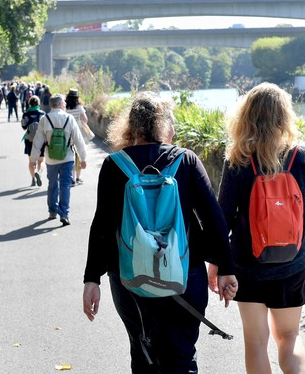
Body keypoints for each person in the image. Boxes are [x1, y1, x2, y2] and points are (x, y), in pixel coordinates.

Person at [82, 92, 238, 373]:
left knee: (142, 354)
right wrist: (226, 268)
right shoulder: (187, 161)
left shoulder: (114, 165)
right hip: (184, 276)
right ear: (166, 127)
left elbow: (102, 226)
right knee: (181, 356)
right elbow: (214, 219)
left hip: (131, 281)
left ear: (131, 129)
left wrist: (92, 279)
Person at [215, 82, 305, 374]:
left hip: (247, 264)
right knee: (289, 336)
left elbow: (223, 217)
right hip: (294, 264)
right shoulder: (303, 156)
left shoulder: (238, 159)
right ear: (285, 115)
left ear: (247, 116)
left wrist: (219, 263)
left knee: (256, 342)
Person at [29, 93, 87, 226]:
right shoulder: (69, 118)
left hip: (51, 159)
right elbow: (78, 140)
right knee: (65, 186)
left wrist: (33, 159)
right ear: (60, 104)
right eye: (64, 104)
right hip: (67, 158)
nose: (65, 105)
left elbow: (38, 140)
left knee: (52, 185)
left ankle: (52, 211)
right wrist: (83, 158)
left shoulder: (45, 119)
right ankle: (64, 214)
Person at [65, 88, 90, 185]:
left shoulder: (65, 107)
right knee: (80, 154)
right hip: (78, 132)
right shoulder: (79, 107)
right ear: (77, 97)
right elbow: (85, 119)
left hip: (68, 133)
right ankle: (78, 178)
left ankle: (72, 178)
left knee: (71, 155)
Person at [21, 95, 45, 187]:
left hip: (29, 140)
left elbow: (24, 127)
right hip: (41, 140)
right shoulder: (42, 114)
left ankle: (33, 179)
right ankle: (39, 172)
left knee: (31, 161)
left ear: (29, 104)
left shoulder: (26, 114)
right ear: (38, 103)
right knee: (41, 161)